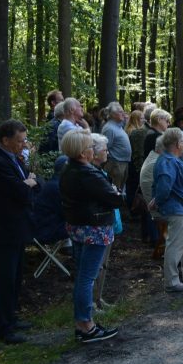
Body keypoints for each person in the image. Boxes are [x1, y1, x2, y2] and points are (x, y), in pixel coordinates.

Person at [59, 130, 124, 343]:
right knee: (87, 277)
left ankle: (83, 322)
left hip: (78, 227)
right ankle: (86, 325)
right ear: (83, 152)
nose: (92, 150)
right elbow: (115, 198)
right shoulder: (88, 174)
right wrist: (117, 192)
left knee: (82, 276)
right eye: (89, 147)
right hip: (93, 230)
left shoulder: (68, 169)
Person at [0, 120, 42, 344]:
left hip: (17, 226)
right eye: (19, 140)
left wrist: (29, 182)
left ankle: (12, 317)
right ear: (5, 140)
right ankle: (3, 327)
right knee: (5, 279)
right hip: (3, 229)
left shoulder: (15, 159)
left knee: (16, 277)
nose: (23, 144)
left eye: (24, 139)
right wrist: (27, 183)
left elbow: (35, 183)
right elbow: (20, 190)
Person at [151, 127, 183, 292]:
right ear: (176, 144)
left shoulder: (174, 159)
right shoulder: (167, 161)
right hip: (177, 209)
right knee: (176, 244)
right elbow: (164, 187)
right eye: (182, 141)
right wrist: (157, 201)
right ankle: (172, 281)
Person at [101, 102, 131, 192]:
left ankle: (118, 205)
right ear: (113, 114)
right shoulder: (109, 128)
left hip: (121, 164)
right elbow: (105, 147)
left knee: (119, 190)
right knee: (114, 190)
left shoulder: (118, 126)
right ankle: (114, 206)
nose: (123, 114)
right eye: (120, 112)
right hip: (115, 165)